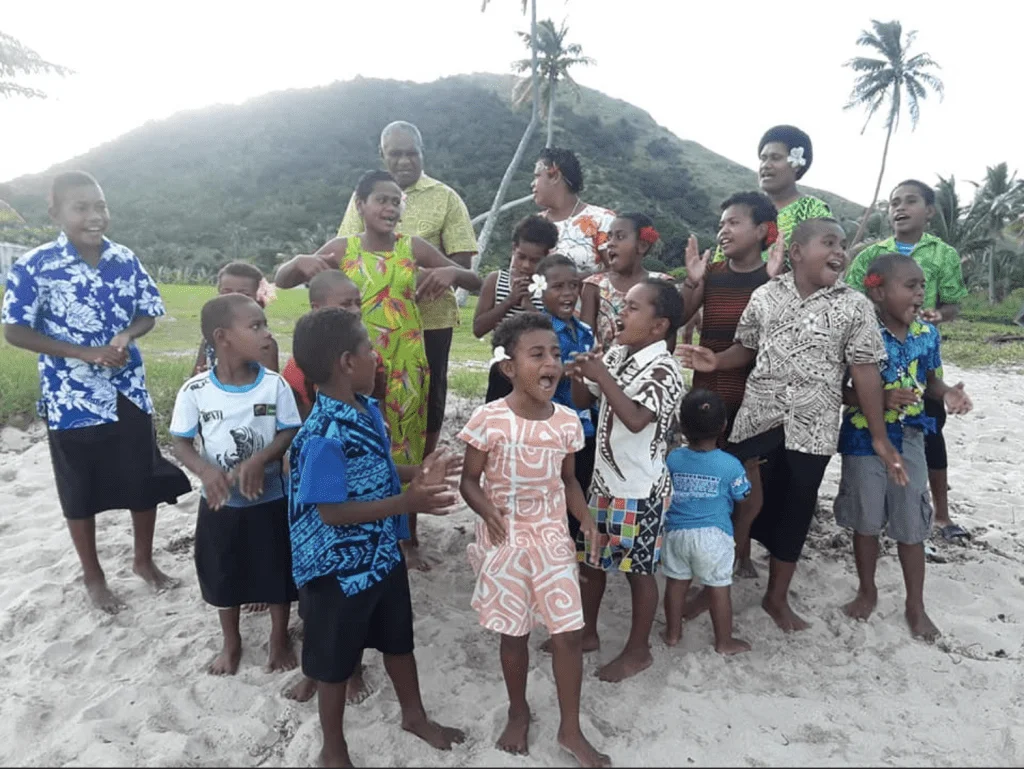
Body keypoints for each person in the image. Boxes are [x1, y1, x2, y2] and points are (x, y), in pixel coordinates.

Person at [680, 218, 907, 633]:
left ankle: (776, 598)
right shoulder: (765, 295)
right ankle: (712, 584)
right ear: (798, 252)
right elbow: (745, 348)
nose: (839, 251)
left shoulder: (853, 305)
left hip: (813, 425)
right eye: (829, 242)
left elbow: (865, 372)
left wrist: (879, 436)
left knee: (796, 510)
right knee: (736, 504)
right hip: (757, 419)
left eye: (842, 244)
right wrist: (717, 360)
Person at [1, 170, 190, 614]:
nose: (94, 216)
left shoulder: (124, 258)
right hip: (71, 398)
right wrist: (79, 353)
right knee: (79, 486)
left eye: (100, 206)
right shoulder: (36, 266)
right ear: (56, 214)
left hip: (128, 390)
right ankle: (93, 575)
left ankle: (144, 562)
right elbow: (14, 331)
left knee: (142, 477)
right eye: (81, 207)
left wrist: (126, 335)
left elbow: (149, 312)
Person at [275, 169, 482, 571]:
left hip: (405, 367)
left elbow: (474, 280)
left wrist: (451, 272)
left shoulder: (413, 248)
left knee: (404, 446)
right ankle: (363, 529)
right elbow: (283, 280)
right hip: (350, 368)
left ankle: (408, 538)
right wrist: (299, 261)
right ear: (361, 205)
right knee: (359, 445)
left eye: (395, 201)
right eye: (380, 200)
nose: (389, 207)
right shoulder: (342, 248)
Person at [287, 307, 464, 768]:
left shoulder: (364, 409)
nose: (377, 357)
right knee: (333, 664)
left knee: (397, 640)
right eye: (370, 349)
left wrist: (418, 471)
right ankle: (334, 748)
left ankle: (414, 716)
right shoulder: (324, 433)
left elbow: (378, 470)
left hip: (380, 557)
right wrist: (407, 504)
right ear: (347, 362)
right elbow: (331, 511)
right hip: (337, 571)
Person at [458, 312, 610, 768]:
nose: (551, 363)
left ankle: (570, 727)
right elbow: (469, 480)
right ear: (509, 367)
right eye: (537, 354)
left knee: (569, 632)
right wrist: (487, 511)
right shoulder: (488, 419)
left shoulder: (566, 422)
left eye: (557, 355)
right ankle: (518, 711)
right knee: (514, 634)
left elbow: (568, 481)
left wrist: (584, 519)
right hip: (505, 540)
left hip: (551, 538)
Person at [336, 121, 479, 561]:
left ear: (422, 151)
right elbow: (342, 253)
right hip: (368, 338)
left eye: (410, 153)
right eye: (394, 154)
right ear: (382, 155)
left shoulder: (445, 198)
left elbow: (464, 262)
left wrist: (445, 273)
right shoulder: (362, 199)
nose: (403, 161)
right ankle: (374, 513)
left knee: (422, 418)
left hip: (424, 327)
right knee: (363, 426)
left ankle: (410, 516)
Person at [835, 253, 973, 641]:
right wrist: (876, 398)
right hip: (862, 439)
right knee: (865, 518)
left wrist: (947, 393)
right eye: (909, 286)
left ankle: (916, 604)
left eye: (922, 286)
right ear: (877, 292)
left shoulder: (927, 335)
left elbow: (931, 381)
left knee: (912, 519)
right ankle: (867, 589)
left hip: (910, 437)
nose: (919, 294)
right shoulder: (858, 335)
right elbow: (841, 391)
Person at [169, 294, 301, 675]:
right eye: (255, 326)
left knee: (276, 570)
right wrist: (206, 472)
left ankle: (279, 636)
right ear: (222, 336)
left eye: (265, 324)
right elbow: (180, 441)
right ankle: (232, 641)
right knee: (222, 572)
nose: (267, 334)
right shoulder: (195, 391)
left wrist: (262, 458)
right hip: (221, 503)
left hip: (271, 498)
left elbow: (289, 430)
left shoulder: (273, 386)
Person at [568, 279, 687, 682]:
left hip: (640, 491)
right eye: (623, 305)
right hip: (604, 484)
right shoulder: (620, 354)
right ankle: (586, 633)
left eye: (633, 308)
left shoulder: (665, 370)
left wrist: (601, 376)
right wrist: (577, 372)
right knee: (593, 561)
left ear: (659, 326)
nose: (621, 312)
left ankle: (639, 651)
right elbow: (585, 400)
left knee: (638, 571)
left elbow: (636, 419)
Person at [845, 180, 971, 543]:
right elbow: (853, 299)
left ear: (929, 210)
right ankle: (879, 509)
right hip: (876, 359)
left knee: (930, 436)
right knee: (872, 432)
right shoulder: (872, 254)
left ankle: (940, 516)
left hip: (921, 363)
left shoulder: (943, 254)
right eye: (894, 202)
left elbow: (953, 303)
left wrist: (938, 316)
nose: (899, 208)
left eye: (910, 201)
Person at [680, 192, 782, 580]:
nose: (723, 230)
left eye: (733, 222)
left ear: (760, 230)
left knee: (748, 477)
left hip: (752, 397)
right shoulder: (714, 274)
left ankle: (740, 551)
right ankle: (706, 549)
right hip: (708, 394)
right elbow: (682, 313)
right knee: (706, 476)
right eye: (721, 224)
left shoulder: (773, 278)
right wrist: (693, 282)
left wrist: (775, 283)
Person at [661, 389, 751, 655]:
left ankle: (673, 633)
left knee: (676, 585)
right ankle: (724, 641)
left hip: (676, 534)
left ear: (683, 426)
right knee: (718, 588)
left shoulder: (673, 458)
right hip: (714, 536)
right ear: (724, 425)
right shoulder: (731, 465)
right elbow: (743, 496)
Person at [536, 254, 598, 531]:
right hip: (550, 434)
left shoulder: (584, 331)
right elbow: (533, 381)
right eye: (558, 287)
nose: (568, 293)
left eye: (573, 285)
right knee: (553, 500)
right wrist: (565, 370)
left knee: (579, 494)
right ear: (540, 290)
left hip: (585, 430)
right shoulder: (537, 332)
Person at [474, 214, 559, 402]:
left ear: (547, 257)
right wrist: (508, 302)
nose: (526, 265)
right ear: (513, 249)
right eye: (521, 257)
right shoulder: (495, 280)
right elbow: (478, 328)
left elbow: (556, 330)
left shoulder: (552, 287)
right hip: (503, 369)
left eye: (535, 260)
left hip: (540, 372)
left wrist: (528, 304)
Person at [280, 270, 385, 421]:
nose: (356, 311)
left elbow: (379, 409)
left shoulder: (370, 356)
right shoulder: (298, 368)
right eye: (346, 304)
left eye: (358, 303)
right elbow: (301, 420)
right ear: (317, 307)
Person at [580, 213, 673, 352]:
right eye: (609, 237)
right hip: (606, 368)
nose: (610, 243)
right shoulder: (594, 286)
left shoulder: (662, 285)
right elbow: (584, 340)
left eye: (620, 236)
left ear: (642, 245)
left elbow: (668, 341)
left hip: (648, 368)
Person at [532, 147, 615, 273]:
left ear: (555, 177)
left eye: (537, 176)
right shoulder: (533, 225)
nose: (532, 184)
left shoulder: (602, 220)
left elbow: (616, 271)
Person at [193, 261, 279, 375]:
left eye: (244, 294)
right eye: (226, 292)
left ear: (258, 300)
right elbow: (196, 376)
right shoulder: (211, 339)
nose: (233, 299)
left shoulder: (265, 343)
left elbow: (272, 385)